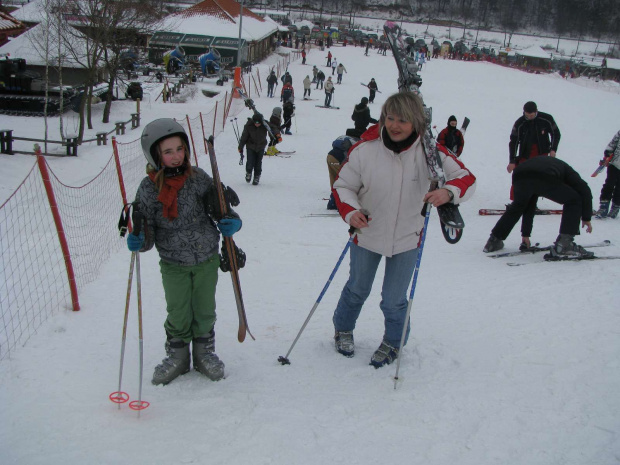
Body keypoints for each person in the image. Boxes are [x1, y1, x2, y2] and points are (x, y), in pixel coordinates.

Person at [331, 92, 476, 367]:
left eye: (403, 120)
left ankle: (393, 341)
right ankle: (343, 328)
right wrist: (350, 211)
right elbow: (343, 186)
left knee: (394, 300)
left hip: (408, 238)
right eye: (390, 118)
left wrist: (448, 192)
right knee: (357, 289)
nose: (395, 125)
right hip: (368, 232)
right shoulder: (365, 150)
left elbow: (466, 177)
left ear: (416, 122)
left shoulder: (431, 151)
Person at [129, 119, 242, 386]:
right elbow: (145, 230)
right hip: (172, 261)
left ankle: (204, 353)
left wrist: (232, 221)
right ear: (154, 154)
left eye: (180, 149)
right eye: (168, 151)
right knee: (178, 311)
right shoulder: (148, 189)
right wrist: (140, 239)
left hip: (206, 257)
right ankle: (178, 357)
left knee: (204, 308)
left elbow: (221, 206)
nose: (176, 156)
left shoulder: (199, 178)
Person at [483, 157, 594, 258]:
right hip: (544, 174)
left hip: (519, 174)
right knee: (574, 199)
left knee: (518, 206)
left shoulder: (552, 165)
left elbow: (530, 205)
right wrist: (586, 217)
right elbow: (585, 190)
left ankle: (494, 240)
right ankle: (564, 245)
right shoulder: (568, 171)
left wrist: (525, 234)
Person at [506, 101, 561, 248]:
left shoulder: (546, 119)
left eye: (531, 114)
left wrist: (553, 149)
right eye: (526, 114)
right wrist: (512, 161)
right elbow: (513, 142)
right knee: (519, 181)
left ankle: (534, 199)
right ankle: (518, 201)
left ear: (536, 111)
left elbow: (556, 133)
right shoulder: (519, 123)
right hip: (525, 157)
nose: (529, 117)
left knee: (539, 182)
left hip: (542, 155)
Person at [239, 113, 273, 185]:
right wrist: (240, 147)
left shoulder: (265, 125)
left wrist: (276, 136)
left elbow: (273, 129)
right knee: (250, 161)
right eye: (255, 123)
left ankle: (257, 176)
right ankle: (248, 173)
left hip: (261, 146)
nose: (257, 124)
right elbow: (244, 136)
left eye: (258, 123)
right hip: (250, 146)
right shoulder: (249, 126)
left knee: (258, 162)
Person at [326, 135, 359, 210]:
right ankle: (341, 205)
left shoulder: (349, 139)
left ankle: (332, 204)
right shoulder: (358, 145)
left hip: (330, 156)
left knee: (335, 179)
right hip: (338, 159)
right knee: (344, 181)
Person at [595, 129, 620, 218]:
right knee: (609, 184)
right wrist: (607, 155)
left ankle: (616, 206)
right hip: (614, 163)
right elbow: (613, 143)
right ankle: (603, 206)